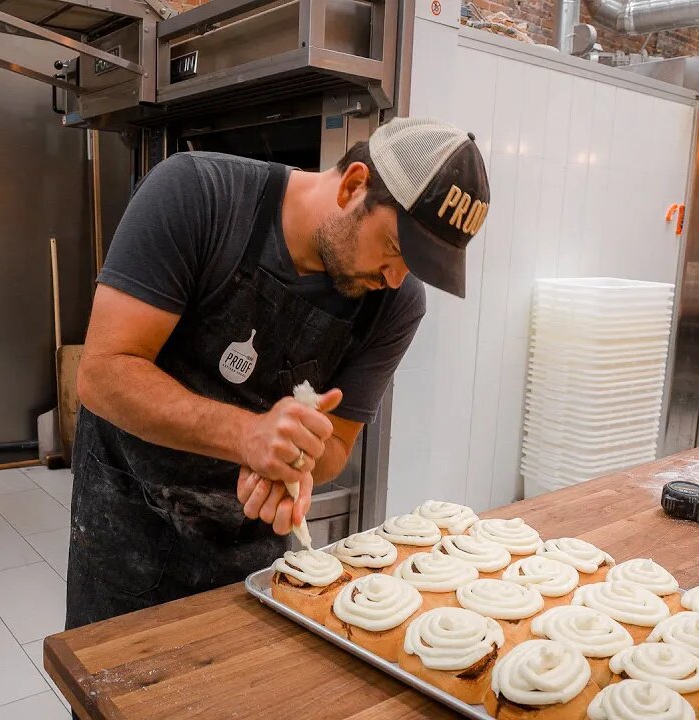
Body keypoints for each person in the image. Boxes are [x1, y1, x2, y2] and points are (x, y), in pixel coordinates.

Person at [65, 117, 491, 628]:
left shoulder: (396, 305)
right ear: (355, 185)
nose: (395, 278)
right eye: (396, 250)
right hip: (129, 518)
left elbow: (334, 448)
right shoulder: (199, 195)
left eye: (416, 269)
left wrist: (295, 458)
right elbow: (103, 373)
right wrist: (248, 435)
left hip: (254, 545)